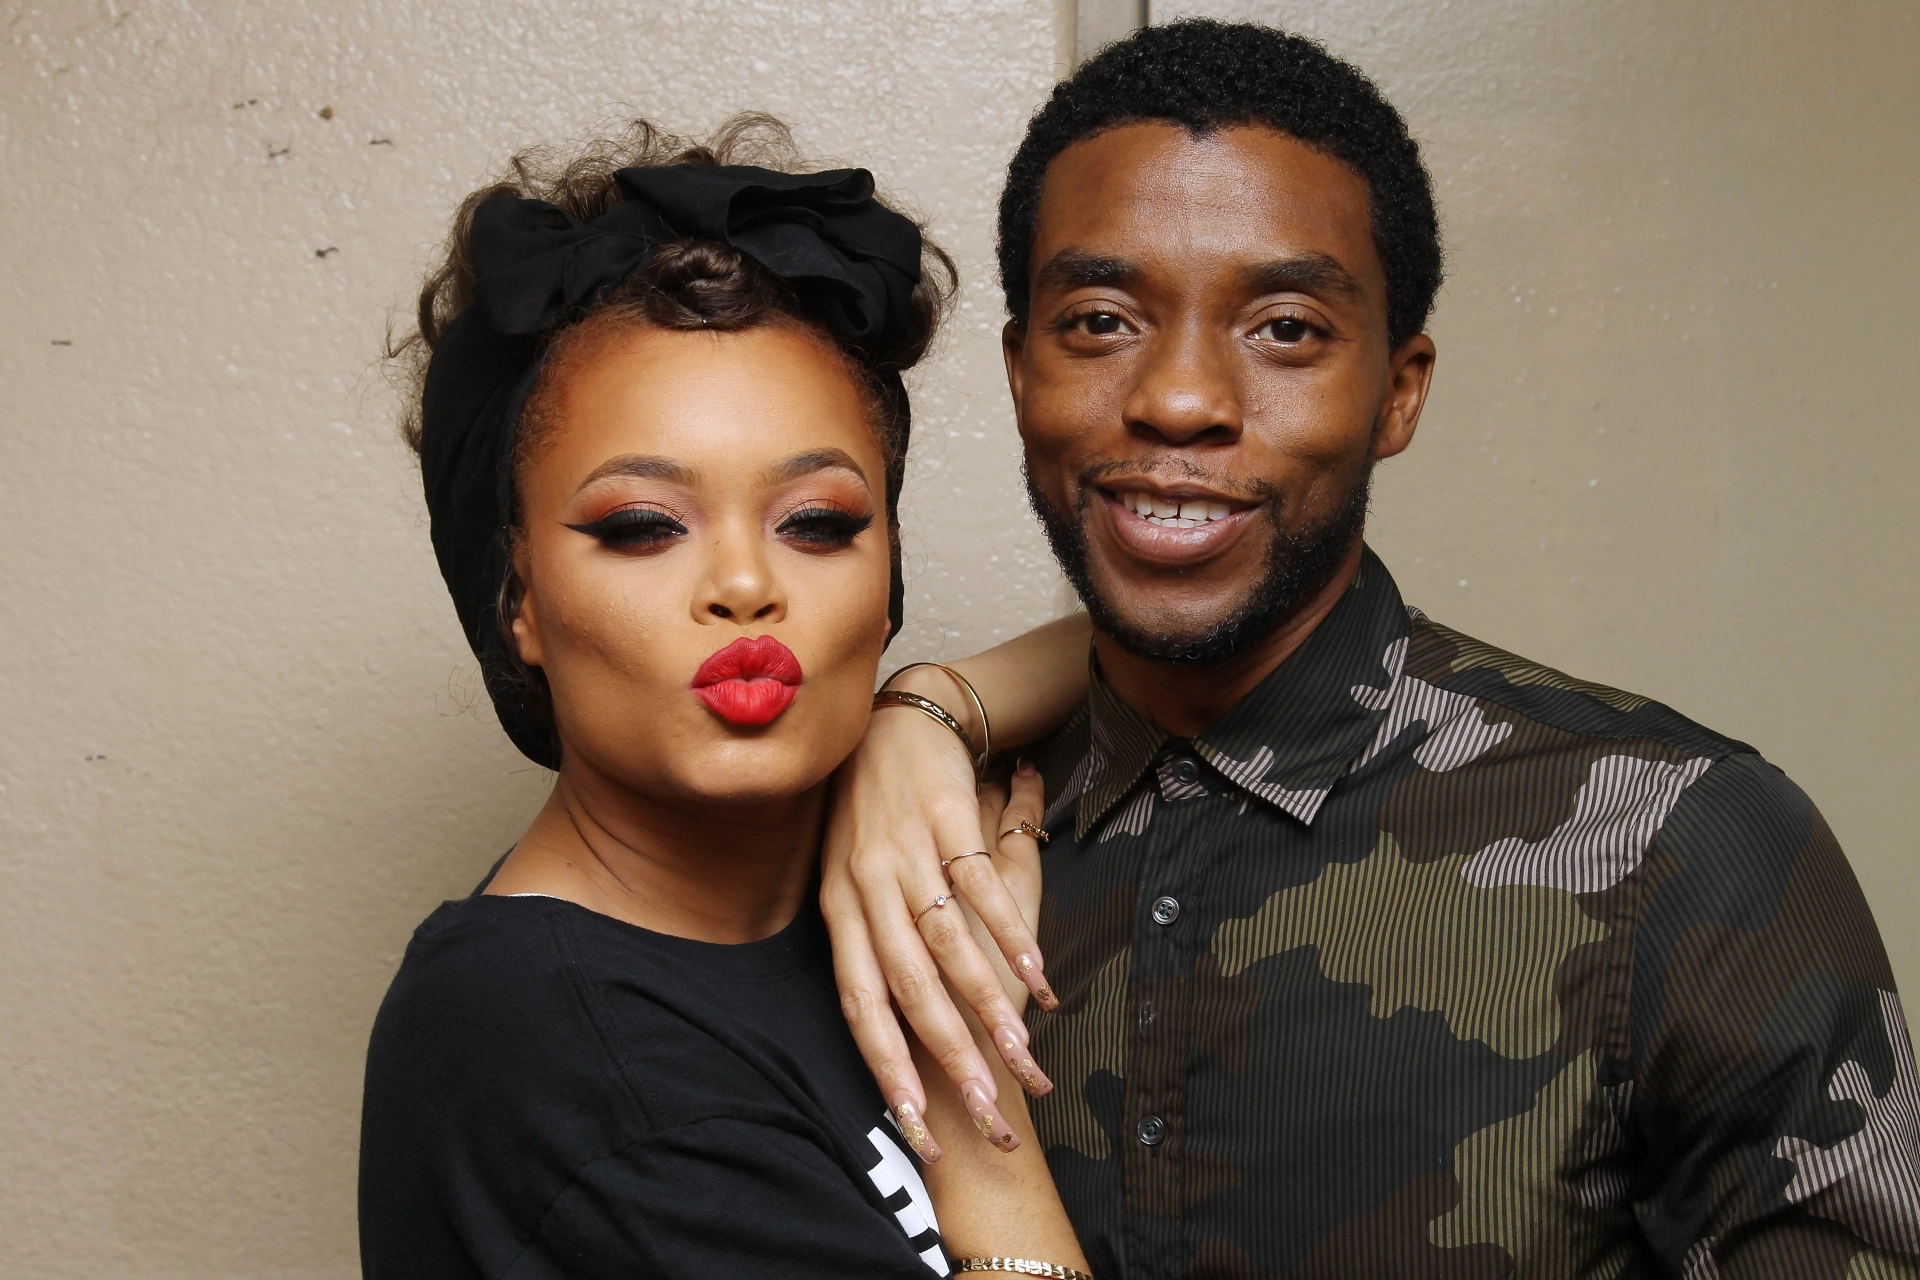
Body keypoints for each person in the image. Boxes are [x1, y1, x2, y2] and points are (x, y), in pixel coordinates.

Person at [823, 21, 1920, 1279]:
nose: (1181, 397)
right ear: (1019, 374)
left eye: (1285, 327)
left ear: (1399, 391)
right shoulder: (907, 857)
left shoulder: (1680, 846)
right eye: (1102, 319)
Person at [357, 116, 1092, 1279]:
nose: (747, 585)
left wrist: (928, 709)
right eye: (642, 526)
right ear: (520, 599)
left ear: (887, 571)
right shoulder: (555, 1049)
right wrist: (971, 1088)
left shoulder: (826, 887)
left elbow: (1172, 638)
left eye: (818, 522)